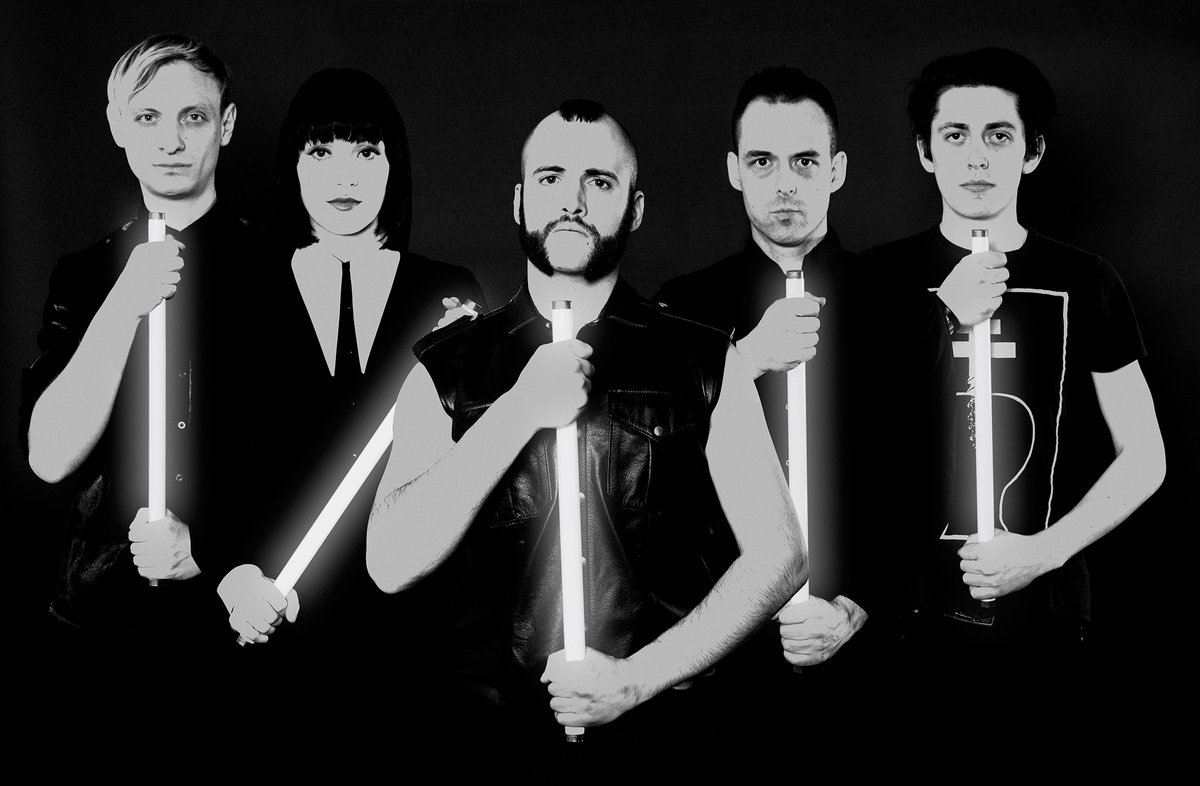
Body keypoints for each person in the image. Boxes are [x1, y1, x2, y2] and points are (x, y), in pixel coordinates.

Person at [364, 99, 807, 778]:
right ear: (519, 201)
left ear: (635, 208)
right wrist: (518, 410)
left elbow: (782, 556)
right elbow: (390, 562)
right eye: (550, 178)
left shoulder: (704, 359)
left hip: (667, 738)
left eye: (599, 181)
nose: (571, 201)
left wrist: (635, 680)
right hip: (485, 740)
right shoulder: (446, 367)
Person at [869, 47, 1166, 778]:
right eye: (955, 135)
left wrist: (1045, 552)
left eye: (998, 135)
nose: (977, 156)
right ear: (924, 152)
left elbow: (1146, 456)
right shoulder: (873, 280)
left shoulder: (1085, 280)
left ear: (1032, 153)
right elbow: (854, 440)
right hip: (900, 623)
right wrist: (940, 315)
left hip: (1046, 624)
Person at [652, 66, 953, 775]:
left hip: (871, 653)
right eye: (762, 162)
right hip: (724, 656)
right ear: (734, 170)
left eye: (805, 162)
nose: (784, 183)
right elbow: (660, 474)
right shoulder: (685, 307)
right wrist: (742, 361)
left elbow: (931, 472)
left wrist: (861, 604)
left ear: (837, 170)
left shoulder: (901, 302)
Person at [212, 68, 485, 780]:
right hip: (273, 615)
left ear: (395, 165)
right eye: (321, 150)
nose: (345, 174)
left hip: (412, 629)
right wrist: (233, 575)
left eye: (367, 151)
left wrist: (467, 361)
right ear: (292, 164)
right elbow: (212, 456)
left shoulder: (447, 294)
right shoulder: (240, 287)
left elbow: (470, 470)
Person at [18, 33, 257, 778]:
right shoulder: (83, 273)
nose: (171, 141)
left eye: (194, 117)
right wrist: (123, 303)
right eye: (148, 117)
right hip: (98, 625)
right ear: (118, 125)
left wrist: (213, 550)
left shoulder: (280, 267)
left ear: (226, 125)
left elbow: (300, 448)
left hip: (233, 619)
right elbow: (50, 455)